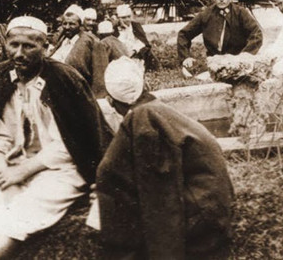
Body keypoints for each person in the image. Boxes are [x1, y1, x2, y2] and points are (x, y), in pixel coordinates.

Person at [0, 16, 103, 259]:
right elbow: (0, 130)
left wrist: (22, 172)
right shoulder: (0, 75)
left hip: (60, 169)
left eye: (29, 46)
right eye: (13, 45)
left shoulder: (62, 79)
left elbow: (70, 143)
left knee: (28, 207)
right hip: (16, 162)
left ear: (45, 47)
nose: (19, 53)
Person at [95, 58, 234, 259]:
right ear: (145, 85)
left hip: (202, 217)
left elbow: (161, 198)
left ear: (111, 101)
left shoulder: (144, 121)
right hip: (208, 206)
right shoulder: (154, 109)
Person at [178, 0, 263, 70]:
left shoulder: (241, 13)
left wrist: (246, 54)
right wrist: (185, 57)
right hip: (214, 61)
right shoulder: (205, 14)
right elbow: (183, 34)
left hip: (237, 59)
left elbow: (256, 34)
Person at [49, 4, 98, 86]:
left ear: (80, 25)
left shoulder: (85, 42)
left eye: (72, 24)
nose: (67, 27)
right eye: (65, 24)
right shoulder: (63, 40)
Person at [114, 4, 156, 69]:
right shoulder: (114, 29)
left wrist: (134, 51)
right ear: (118, 18)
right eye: (123, 18)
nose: (127, 19)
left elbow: (143, 42)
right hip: (121, 54)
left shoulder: (135, 26)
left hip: (136, 53)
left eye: (128, 17)